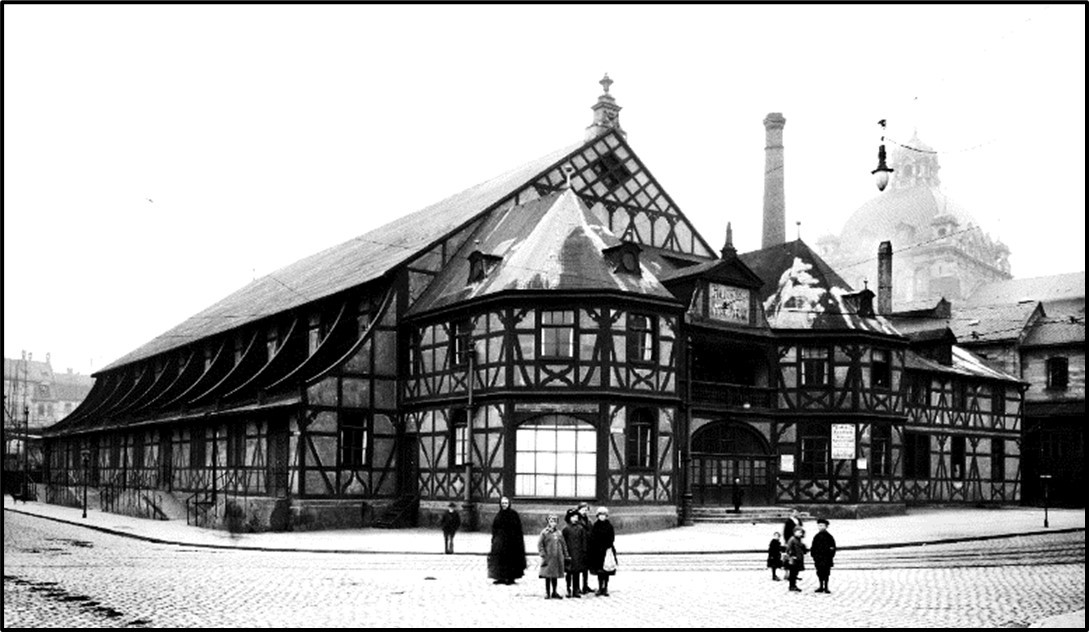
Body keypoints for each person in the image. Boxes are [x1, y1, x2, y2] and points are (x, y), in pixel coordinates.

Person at [487, 496, 526, 585]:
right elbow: (495, 528)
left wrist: (517, 540)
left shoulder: (513, 514)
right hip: (500, 541)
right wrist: (494, 539)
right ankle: (500, 577)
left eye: (506, 503)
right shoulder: (498, 515)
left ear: (509, 504)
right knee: (499, 559)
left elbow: (518, 529)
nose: (504, 505)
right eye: (503, 503)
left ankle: (510, 577)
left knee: (510, 559)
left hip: (511, 541)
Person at [538, 514, 568, 599]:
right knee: (547, 575)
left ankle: (554, 591)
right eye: (551, 521)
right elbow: (540, 544)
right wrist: (542, 553)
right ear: (548, 522)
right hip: (548, 557)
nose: (553, 523)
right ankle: (547, 592)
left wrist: (566, 554)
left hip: (557, 557)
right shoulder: (544, 533)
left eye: (555, 522)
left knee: (555, 575)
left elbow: (563, 544)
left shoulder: (559, 533)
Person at [588, 506, 617, 596]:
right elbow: (592, 538)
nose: (602, 517)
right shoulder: (595, 526)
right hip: (597, 551)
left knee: (607, 570)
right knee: (599, 571)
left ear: (606, 516)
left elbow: (612, 538)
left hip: (606, 550)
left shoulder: (609, 526)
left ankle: (605, 588)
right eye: (600, 515)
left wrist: (607, 545)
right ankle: (600, 587)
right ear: (597, 516)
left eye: (604, 515)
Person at [562, 508, 589, 598]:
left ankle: (576, 590)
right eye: (573, 517)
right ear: (569, 518)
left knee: (576, 573)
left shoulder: (580, 528)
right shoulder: (566, 529)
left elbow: (584, 540)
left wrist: (584, 551)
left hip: (578, 554)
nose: (575, 519)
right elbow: (563, 542)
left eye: (576, 517)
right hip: (569, 554)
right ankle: (568, 589)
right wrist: (564, 553)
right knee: (569, 573)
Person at [810, 518, 837, 593]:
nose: (820, 527)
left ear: (826, 526)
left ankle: (826, 587)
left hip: (826, 558)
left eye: (822, 525)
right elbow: (813, 546)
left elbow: (833, 547)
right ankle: (821, 586)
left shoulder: (829, 537)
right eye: (819, 526)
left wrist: (830, 555)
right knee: (819, 572)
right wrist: (814, 555)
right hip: (818, 558)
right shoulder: (816, 536)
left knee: (826, 573)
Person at [576, 502, 593, 594]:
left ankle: (585, 585)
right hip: (579, 546)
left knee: (586, 568)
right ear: (579, 510)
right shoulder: (576, 520)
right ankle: (577, 587)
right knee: (579, 567)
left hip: (588, 546)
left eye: (586, 510)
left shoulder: (588, 520)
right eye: (583, 510)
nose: (584, 512)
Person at [786, 526, 808, 593]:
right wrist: (792, 556)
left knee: (795, 572)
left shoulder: (799, 540)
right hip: (794, 559)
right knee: (793, 573)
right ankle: (792, 586)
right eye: (798, 532)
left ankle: (793, 585)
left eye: (801, 532)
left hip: (799, 558)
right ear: (794, 532)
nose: (800, 534)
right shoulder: (792, 539)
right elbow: (788, 549)